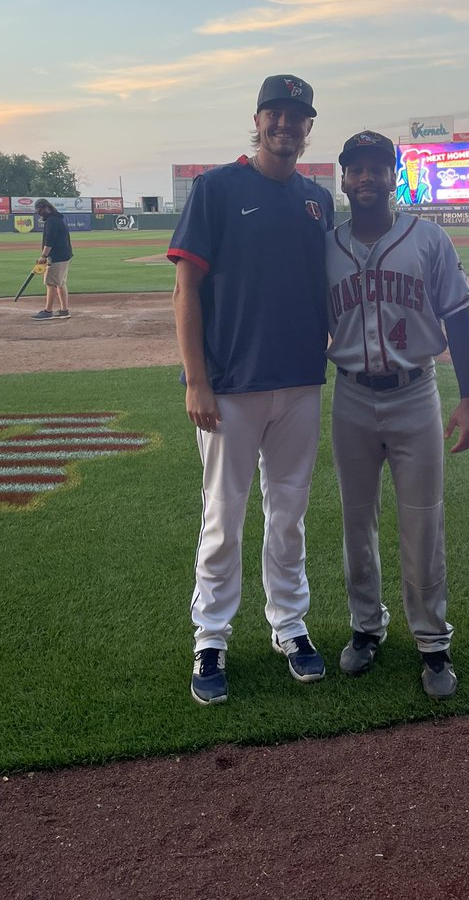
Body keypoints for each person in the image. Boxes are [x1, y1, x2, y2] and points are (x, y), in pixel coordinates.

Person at [167, 74, 334, 706]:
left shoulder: (317, 199)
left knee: (288, 517)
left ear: (308, 127)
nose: (286, 125)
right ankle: (210, 637)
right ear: (257, 119)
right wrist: (197, 380)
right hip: (230, 386)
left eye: (298, 117)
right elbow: (185, 290)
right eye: (276, 114)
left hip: (298, 382)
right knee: (224, 521)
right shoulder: (217, 188)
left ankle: (289, 626)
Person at [325, 131, 469, 698]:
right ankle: (366, 627)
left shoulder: (429, 239)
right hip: (351, 396)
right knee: (355, 520)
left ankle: (433, 640)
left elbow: (458, 318)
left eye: (377, 168)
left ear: (395, 176)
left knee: (423, 519)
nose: (366, 177)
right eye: (356, 169)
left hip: (416, 394)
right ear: (343, 179)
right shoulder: (327, 246)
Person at [31, 199, 73, 320]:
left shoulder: (52, 221)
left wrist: (43, 257)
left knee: (51, 283)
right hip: (64, 255)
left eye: (39, 209)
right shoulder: (56, 219)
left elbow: (50, 241)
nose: (38, 212)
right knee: (60, 283)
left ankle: (48, 311)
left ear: (45, 208)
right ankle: (64, 310)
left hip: (57, 257)